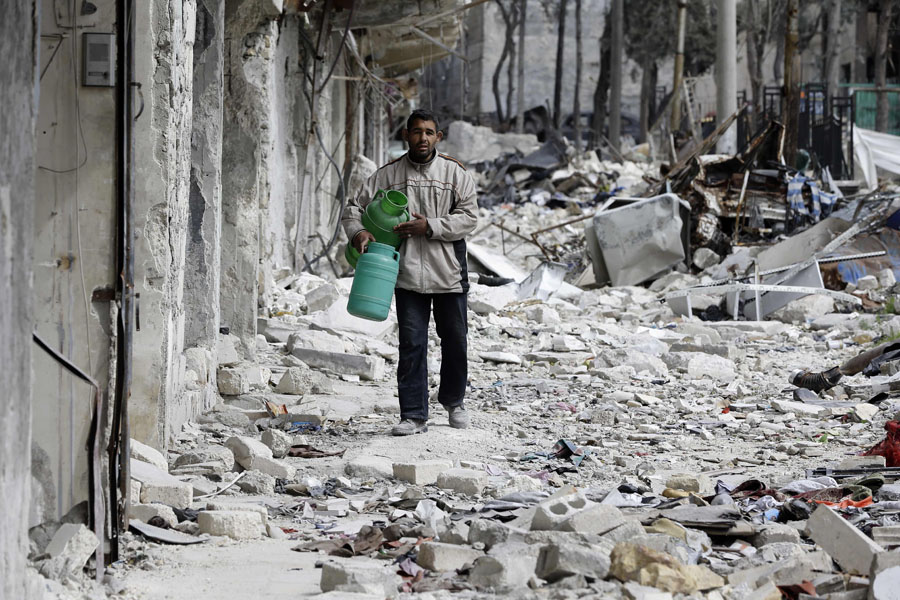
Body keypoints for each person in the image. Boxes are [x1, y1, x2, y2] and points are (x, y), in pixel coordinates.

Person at [342, 109, 478, 436]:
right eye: (417, 132)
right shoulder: (386, 175)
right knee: (412, 343)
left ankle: (453, 401)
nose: (423, 138)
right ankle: (414, 415)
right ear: (406, 135)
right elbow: (352, 209)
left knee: (456, 341)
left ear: (438, 137)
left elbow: (470, 217)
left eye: (429, 132)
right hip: (404, 275)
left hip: (448, 273)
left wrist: (429, 225)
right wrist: (358, 233)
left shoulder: (454, 174)